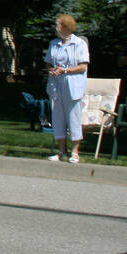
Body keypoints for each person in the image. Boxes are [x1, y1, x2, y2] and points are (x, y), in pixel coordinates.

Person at [45, 13, 90, 163]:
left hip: (73, 86)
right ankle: (61, 151)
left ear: (65, 26)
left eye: (58, 24)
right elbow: (49, 62)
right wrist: (52, 69)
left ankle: (75, 152)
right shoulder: (54, 43)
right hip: (56, 85)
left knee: (73, 118)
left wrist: (65, 70)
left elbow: (83, 67)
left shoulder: (79, 44)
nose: (56, 27)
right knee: (57, 118)